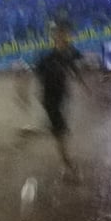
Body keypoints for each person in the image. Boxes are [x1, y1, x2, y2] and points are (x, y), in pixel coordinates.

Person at [33, 21, 85, 181]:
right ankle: (69, 167)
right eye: (60, 35)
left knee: (57, 129)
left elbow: (74, 68)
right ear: (55, 37)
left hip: (62, 96)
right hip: (50, 100)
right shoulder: (46, 57)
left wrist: (83, 84)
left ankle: (31, 132)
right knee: (61, 133)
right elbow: (34, 74)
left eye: (66, 34)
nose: (64, 37)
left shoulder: (68, 53)